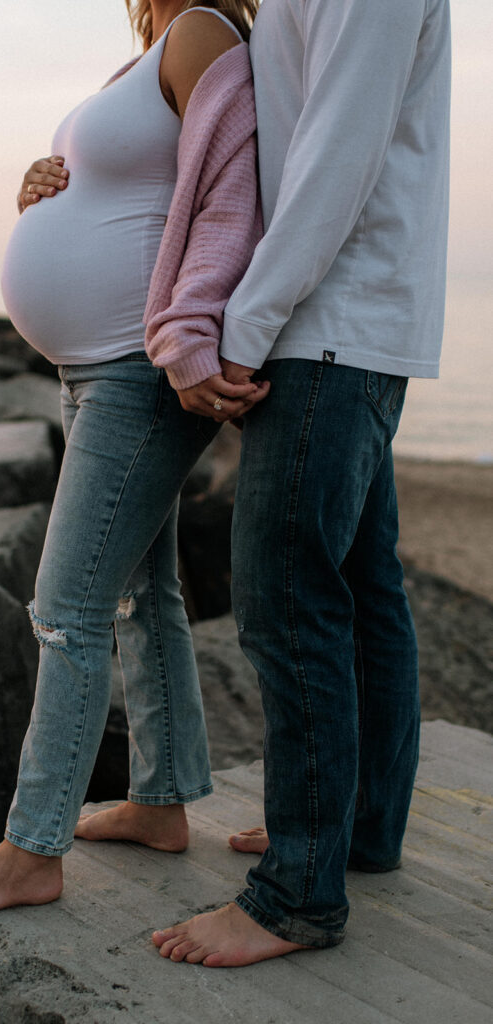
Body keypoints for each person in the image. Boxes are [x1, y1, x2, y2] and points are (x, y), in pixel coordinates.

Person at [0, 0, 265, 918]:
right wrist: (42, 185)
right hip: (90, 369)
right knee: (143, 594)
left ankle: (33, 850)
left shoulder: (201, 31)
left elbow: (234, 198)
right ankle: (160, 800)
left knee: (64, 609)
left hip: (138, 374)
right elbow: (130, 186)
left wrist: (191, 343)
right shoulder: (145, 57)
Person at [152, 0, 452, 966]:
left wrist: (242, 326)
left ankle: (295, 897)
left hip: (325, 324)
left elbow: (338, 155)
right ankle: (347, 831)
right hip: (339, 322)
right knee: (363, 595)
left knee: (287, 603)